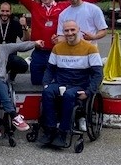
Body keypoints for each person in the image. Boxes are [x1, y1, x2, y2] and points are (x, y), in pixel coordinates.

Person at [1, 0, 116, 85]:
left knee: (58, 80)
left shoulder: (64, 6)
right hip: (39, 51)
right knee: (36, 81)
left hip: (57, 50)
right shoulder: (34, 7)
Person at [39, 19, 103, 148]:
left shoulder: (90, 48)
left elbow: (98, 74)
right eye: (66, 30)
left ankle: (63, 132)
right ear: (63, 32)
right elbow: (50, 69)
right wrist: (46, 84)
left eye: (72, 30)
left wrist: (89, 92)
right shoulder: (57, 48)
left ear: (78, 30)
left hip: (80, 84)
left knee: (69, 95)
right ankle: (50, 129)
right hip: (61, 82)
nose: (69, 33)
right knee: (47, 92)